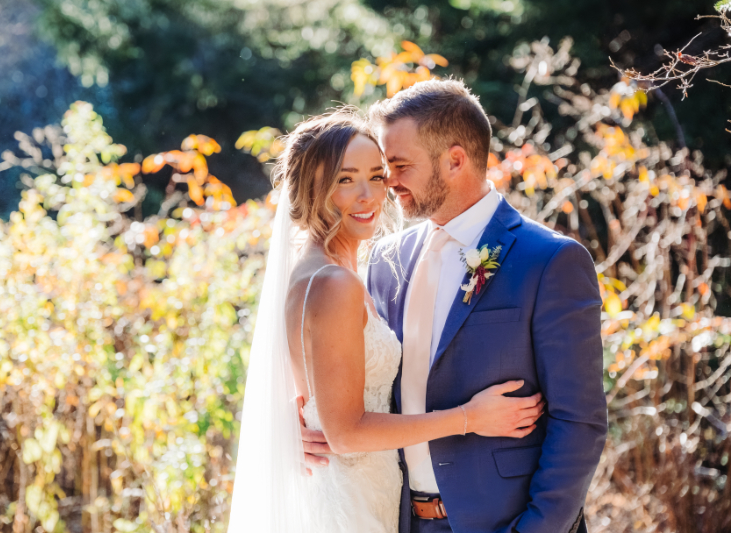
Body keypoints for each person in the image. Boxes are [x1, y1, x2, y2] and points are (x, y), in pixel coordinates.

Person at [227, 108, 545, 533]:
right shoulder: (333, 282)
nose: (369, 195)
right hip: (351, 501)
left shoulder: (335, 272)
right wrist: (469, 417)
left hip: (367, 491)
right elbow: (345, 434)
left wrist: (295, 425)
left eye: (377, 176)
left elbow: (316, 397)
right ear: (312, 187)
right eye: (345, 179)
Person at [350, 79, 606, 533]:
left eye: (400, 165)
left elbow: (580, 422)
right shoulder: (385, 262)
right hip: (400, 519)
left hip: (503, 522)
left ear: (454, 160)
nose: (388, 182)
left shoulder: (549, 261)